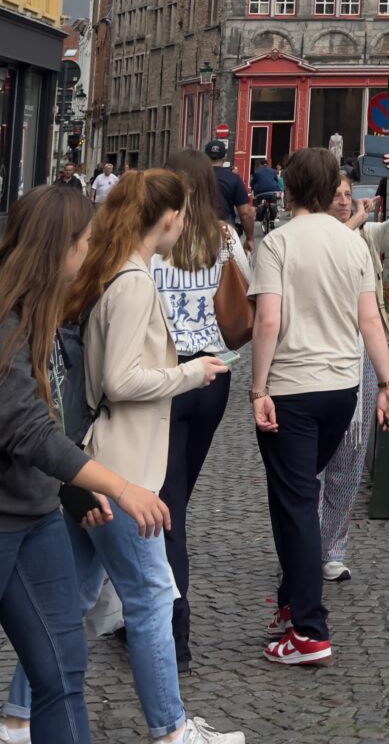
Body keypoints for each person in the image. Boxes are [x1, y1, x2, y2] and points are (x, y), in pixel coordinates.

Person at [67, 170, 242, 744]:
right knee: (150, 599)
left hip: (104, 460)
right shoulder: (135, 280)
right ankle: (171, 729)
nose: (187, 223)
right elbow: (119, 379)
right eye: (184, 213)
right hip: (123, 469)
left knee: (70, 603)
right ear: (167, 218)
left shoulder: (113, 270)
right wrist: (191, 372)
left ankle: (18, 718)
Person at [0, 184, 175, 744]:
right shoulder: (6, 324)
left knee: (62, 670)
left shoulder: (44, 316)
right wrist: (121, 488)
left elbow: (48, 423)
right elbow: (24, 428)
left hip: (37, 514)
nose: (91, 252)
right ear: (60, 248)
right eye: (86, 242)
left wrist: (73, 491)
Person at [248, 147, 389, 666]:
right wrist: (386, 382)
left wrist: (257, 388)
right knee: (297, 497)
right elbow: (370, 321)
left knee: (293, 504)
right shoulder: (351, 241)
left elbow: (267, 321)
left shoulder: (277, 243)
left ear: (290, 189)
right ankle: (292, 607)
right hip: (341, 389)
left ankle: (309, 630)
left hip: (291, 388)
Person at [150, 148, 249, 667]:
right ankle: (154, 614)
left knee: (170, 508)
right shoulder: (225, 238)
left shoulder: (151, 241)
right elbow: (245, 296)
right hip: (213, 378)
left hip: (167, 377)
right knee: (175, 499)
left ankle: (172, 634)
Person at [318, 147, 389, 584]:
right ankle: (303, 545)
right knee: (311, 462)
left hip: (360, 353)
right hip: (317, 355)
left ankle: (332, 549)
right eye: (336, 195)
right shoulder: (307, 236)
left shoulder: (367, 236)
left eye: (347, 194)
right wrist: (354, 222)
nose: (344, 201)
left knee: (350, 453)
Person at [203, 143, 255, 250]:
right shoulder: (234, 179)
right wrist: (249, 238)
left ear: (205, 156)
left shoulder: (196, 177)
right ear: (225, 157)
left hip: (199, 229)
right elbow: (245, 213)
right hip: (225, 230)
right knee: (229, 261)